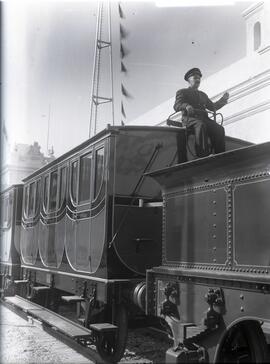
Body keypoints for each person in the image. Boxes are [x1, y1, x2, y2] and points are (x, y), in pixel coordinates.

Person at [174, 67, 229, 157]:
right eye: (195, 78)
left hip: (204, 119)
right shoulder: (182, 92)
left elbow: (213, 107)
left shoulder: (203, 95)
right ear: (188, 80)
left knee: (219, 129)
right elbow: (177, 105)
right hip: (190, 119)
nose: (198, 80)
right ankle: (203, 155)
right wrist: (186, 106)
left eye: (199, 78)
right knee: (201, 125)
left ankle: (220, 155)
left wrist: (223, 100)